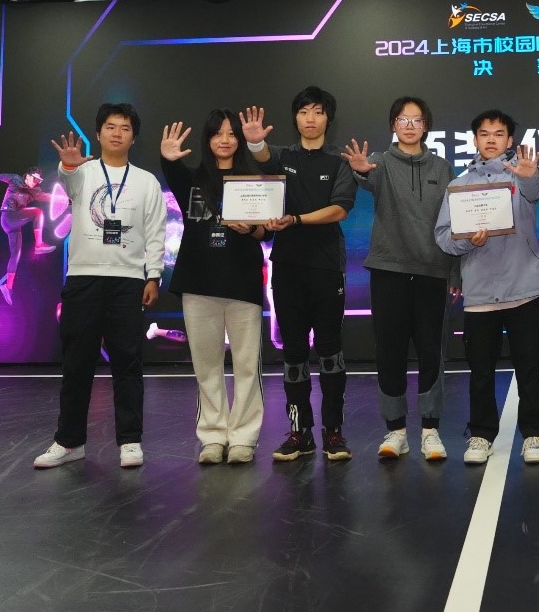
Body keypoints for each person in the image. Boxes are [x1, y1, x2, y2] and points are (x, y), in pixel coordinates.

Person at [32, 103, 166, 469]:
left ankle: (130, 441)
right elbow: (68, 183)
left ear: (134, 137)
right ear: (98, 133)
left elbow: (155, 231)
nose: (117, 133)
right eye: (110, 126)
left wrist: (153, 275)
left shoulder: (146, 182)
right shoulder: (83, 171)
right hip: (84, 279)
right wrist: (69, 166)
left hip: (128, 281)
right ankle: (69, 442)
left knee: (128, 363)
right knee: (77, 363)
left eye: (125, 127)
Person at [240, 86, 357, 463]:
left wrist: (296, 219)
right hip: (287, 268)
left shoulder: (340, 162)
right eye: (304, 111)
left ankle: (333, 431)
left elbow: (339, 209)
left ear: (328, 118)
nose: (311, 118)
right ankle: (298, 432)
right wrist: (255, 142)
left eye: (318, 111)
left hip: (327, 268)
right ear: (295, 117)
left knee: (330, 352)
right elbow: (262, 157)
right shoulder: (283, 156)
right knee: (293, 353)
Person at [341, 96, 459, 462]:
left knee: (431, 351)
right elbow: (367, 178)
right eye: (403, 120)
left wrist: (454, 272)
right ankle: (395, 430)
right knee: (389, 351)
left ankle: (430, 429)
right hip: (389, 271)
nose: (410, 125)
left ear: (426, 126)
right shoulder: (379, 163)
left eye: (416, 120)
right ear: (394, 124)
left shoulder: (443, 167)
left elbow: (456, 221)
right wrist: (362, 171)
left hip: (433, 273)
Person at [434, 109, 539, 466]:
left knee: (529, 368)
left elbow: (535, 192)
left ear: (510, 140)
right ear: (474, 139)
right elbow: (443, 237)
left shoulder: (524, 175)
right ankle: (481, 435)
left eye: (499, 134)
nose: (491, 139)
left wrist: (529, 176)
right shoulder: (459, 185)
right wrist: (466, 240)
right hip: (480, 293)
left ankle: (534, 434)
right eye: (484, 133)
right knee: (480, 372)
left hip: (523, 287)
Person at [159, 110, 269, 466]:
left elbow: (266, 231)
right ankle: (212, 436)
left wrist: (251, 229)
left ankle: (243, 437)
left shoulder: (254, 180)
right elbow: (171, 167)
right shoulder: (192, 178)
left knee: (247, 364)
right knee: (206, 365)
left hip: (242, 280)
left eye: (231, 133)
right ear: (207, 139)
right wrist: (167, 157)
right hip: (198, 281)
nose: (225, 140)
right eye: (217, 133)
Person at [0, 166, 56, 304]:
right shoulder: (15, 179)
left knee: (16, 254)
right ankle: (39, 245)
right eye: (35, 179)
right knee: (37, 212)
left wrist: (64, 199)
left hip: (15, 223)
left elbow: (46, 196)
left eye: (38, 181)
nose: (36, 183)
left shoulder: (33, 191)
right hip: (8, 216)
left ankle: (8, 287)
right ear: (28, 176)